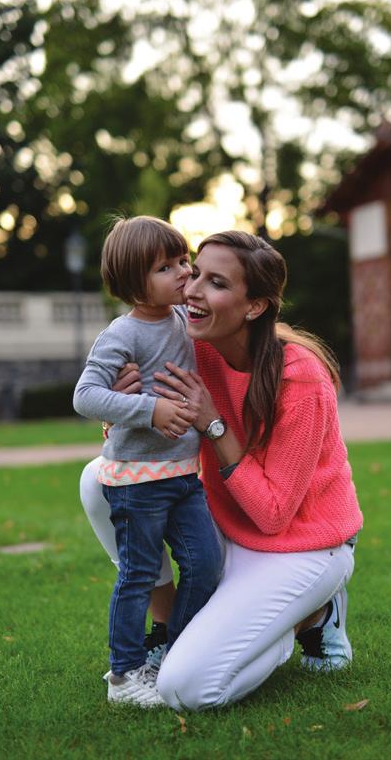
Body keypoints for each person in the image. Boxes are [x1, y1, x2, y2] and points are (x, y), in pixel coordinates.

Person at [80, 229, 363, 710]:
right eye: (194, 270)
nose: (190, 287)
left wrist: (213, 422)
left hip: (300, 545)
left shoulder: (300, 378)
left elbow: (273, 515)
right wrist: (126, 408)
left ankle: (308, 618)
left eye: (215, 282)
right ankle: (171, 627)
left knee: (185, 689)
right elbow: (131, 436)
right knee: (99, 480)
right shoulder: (190, 343)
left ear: (253, 307)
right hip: (224, 529)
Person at [73, 216, 222, 707]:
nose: (183, 272)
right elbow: (85, 396)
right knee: (138, 575)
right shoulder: (122, 335)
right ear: (134, 283)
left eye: (184, 260)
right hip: (136, 482)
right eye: (166, 267)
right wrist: (147, 409)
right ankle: (124, 676)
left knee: (204, 564)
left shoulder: (183, 321)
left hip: (183, 476)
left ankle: (174, 652)